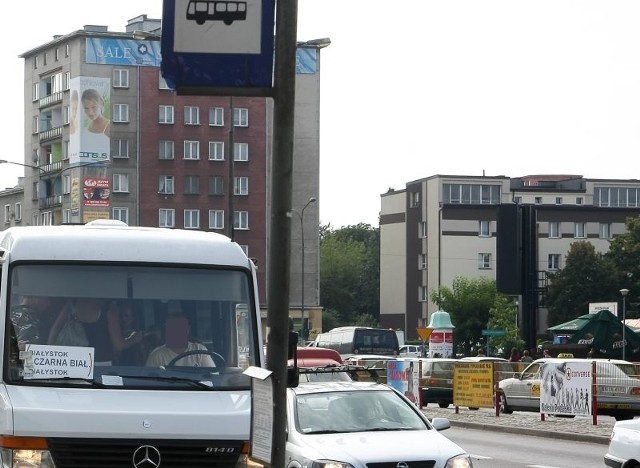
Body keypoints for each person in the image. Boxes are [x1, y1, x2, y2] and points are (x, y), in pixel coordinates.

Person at [49, 298, 143, 365]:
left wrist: (49, 355)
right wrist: (135, 338)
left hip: (73, 362)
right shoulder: (109, 308)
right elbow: (119, 345)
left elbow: (55, 330)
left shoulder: (73, 303)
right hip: (101, 364)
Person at [146, 308, 215, 368]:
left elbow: (212, 376)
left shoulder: (200, 350)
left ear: (187, 329)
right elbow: (149, 380)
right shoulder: (157, 355)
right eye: (173, 327)